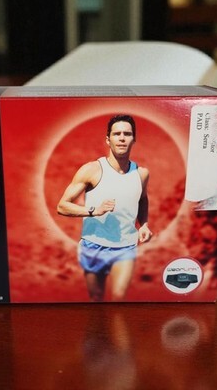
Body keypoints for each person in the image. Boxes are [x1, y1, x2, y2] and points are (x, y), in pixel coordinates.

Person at [57, 114, 153, 301]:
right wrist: (94, 211)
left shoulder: (141, 174)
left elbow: (142, 199)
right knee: (96, 298)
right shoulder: (92, 170)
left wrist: (144, 224)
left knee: (118, 297)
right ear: (108, 140)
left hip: (125, 246)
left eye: (127, 134)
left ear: (134, 139)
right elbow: (62, 206)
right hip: (93, 245)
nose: (122, 138)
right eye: (117, 134)